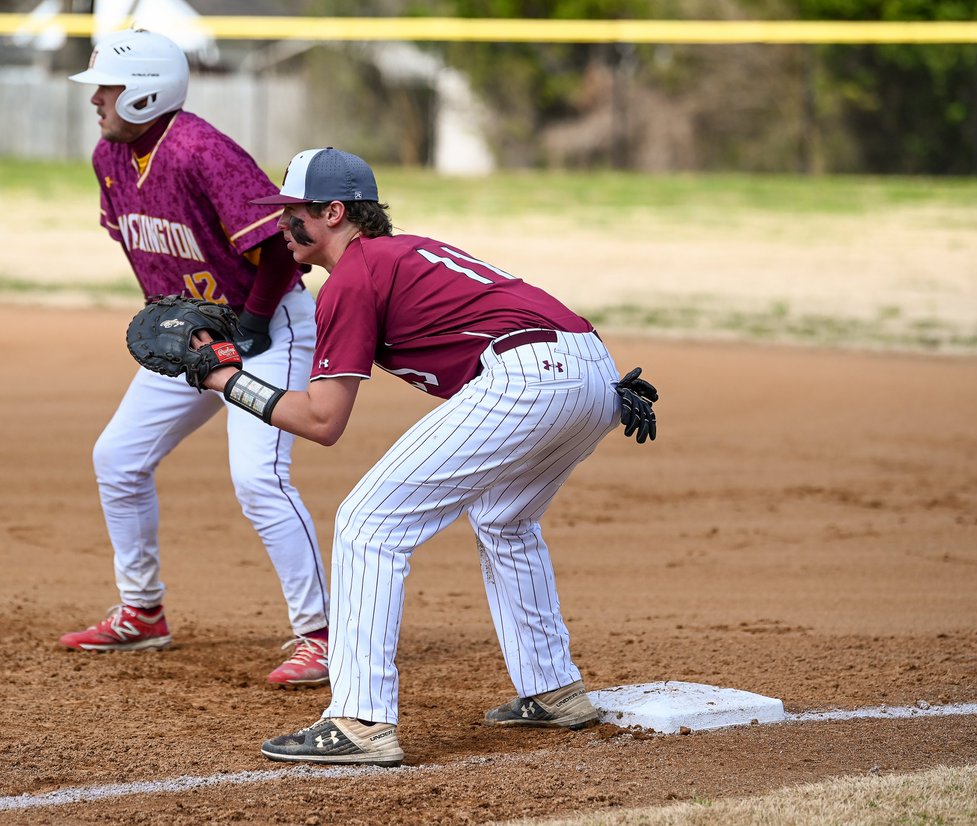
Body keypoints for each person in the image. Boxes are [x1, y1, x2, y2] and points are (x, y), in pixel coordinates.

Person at [180, 147, 658, 765]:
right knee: (504, 519)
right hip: (591, 369)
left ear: (333, 212)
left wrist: (226, 380)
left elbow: (324, 422)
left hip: (530, 376)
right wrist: (592, 390)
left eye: (293, 211)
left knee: (369, 524)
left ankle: (359, 720)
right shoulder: (403, 252)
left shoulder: (352, 277)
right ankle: (552, 689)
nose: (282, 225)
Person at [60, 30, 331, 691]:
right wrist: (172, 322)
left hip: (269, 324)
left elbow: (275, 248)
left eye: (109, 88)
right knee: (117, 457)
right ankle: (142, 611)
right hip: (199, 333)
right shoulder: (110, 157)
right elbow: (143, 246)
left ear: (148, 93)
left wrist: (252, 327)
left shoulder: (200, 152)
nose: (96, 99)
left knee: (258, 478)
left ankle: (324, 637)